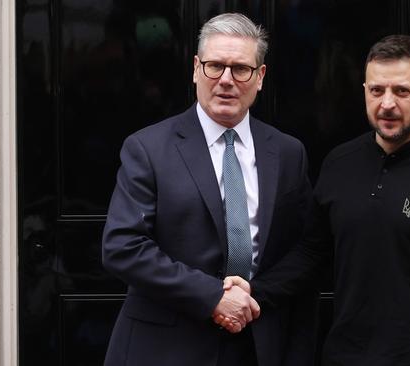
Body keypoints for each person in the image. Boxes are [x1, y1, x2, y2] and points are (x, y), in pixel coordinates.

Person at [222, 34, 410, 365]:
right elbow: (313, 253)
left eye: (402, 91)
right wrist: (256, 291)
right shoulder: (340, 164)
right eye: (376, 90)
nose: (386, 104)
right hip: (344, 355)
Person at [102, 13, 317, 366]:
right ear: (195, 69)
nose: (226, 80)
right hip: (166, 347)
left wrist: (254, 296)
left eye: (241, 69)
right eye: (215, 66)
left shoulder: (288, 153)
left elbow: (305, 249)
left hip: (258, 343)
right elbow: (122, 246)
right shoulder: (148, 148)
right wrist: (213, 296)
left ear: (260, 77)